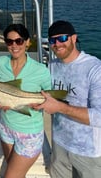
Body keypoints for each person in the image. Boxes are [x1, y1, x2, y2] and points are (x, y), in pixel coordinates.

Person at [33, 20, 101, 178]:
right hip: (59, 146)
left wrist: (60, 108)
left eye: (62, 38)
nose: (57, 44)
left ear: (74, 38)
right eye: (52, 40)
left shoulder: (95, 69)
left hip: (89, 152)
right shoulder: (51, 66)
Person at [0, 23, 51, 178]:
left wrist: (40, 105)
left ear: (27, 42)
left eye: (19, 41)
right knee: (12, 168)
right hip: (6, 127)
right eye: (10, 41)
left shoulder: (41, 71)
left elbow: (50, 100)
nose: (14, 45)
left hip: (29, 132)